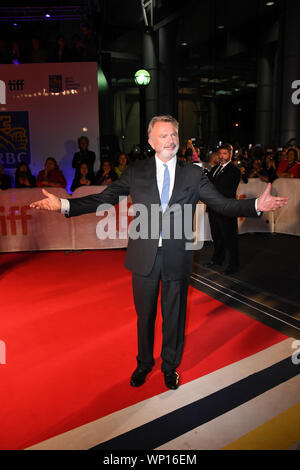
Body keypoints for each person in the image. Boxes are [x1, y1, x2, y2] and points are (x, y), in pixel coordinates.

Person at [30, 115, 288, 390]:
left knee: (174, 315)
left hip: (177, 255)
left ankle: (169, 366)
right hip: (144, 255)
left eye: (174, 135)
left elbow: (222, 205)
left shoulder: (193, 173)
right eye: (163, 136)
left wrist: (255, 205)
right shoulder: (136, 171)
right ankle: (143, 363)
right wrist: (64, 205)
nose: (170, 140)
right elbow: (104, 199)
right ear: (152, 141)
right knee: (145, 315)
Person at [206, 143, 241, 275]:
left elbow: (227, 189)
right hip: (213, 209)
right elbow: (207, 183)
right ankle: (217, 260)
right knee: (217, 237)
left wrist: (210, 188)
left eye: (224, 153)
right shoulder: (215, 169)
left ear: (230, 155)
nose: (221, 156)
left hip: (227, 209)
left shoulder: (234, 171)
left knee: (230, 239)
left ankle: (233, 265)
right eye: (220, 153)